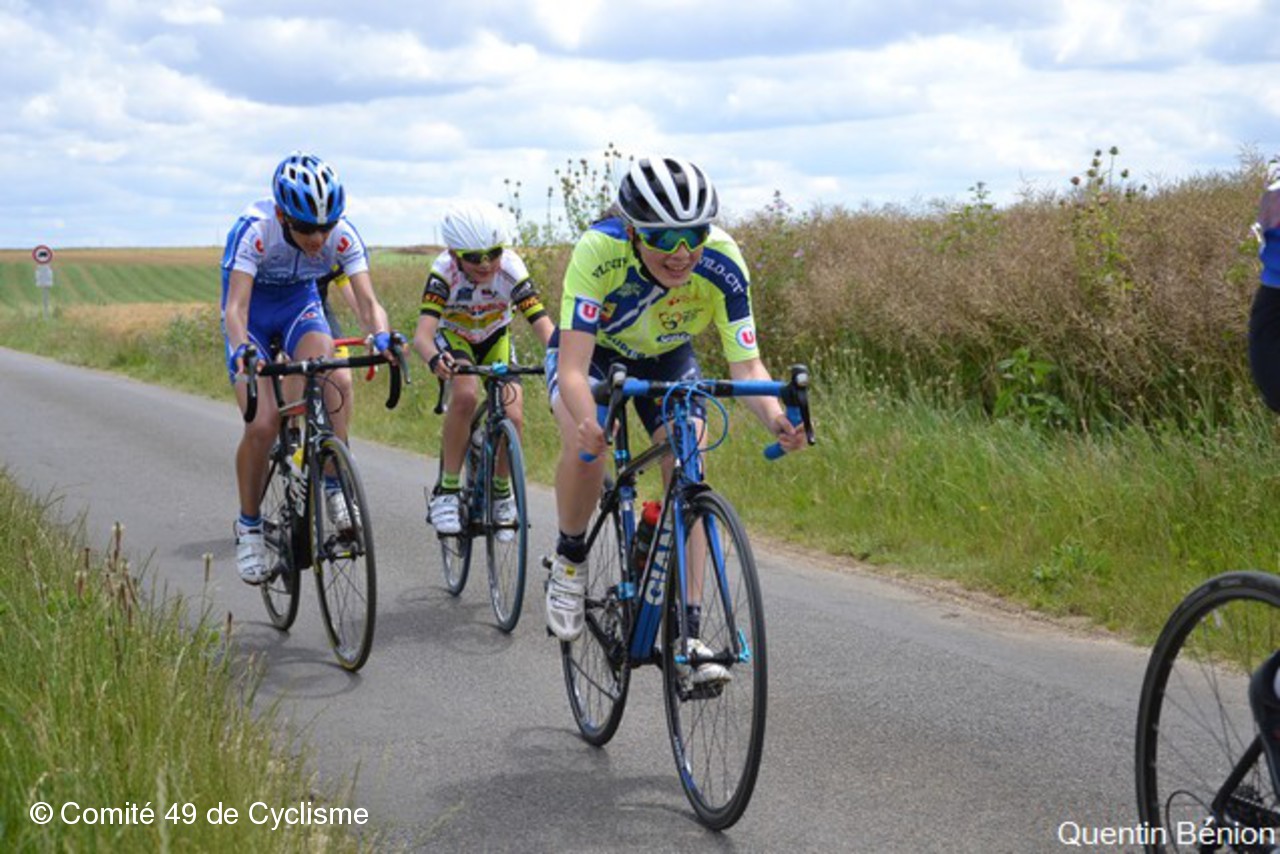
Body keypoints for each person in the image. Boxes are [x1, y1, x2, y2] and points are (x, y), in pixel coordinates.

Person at [543, 155, 808, 684]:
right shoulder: (599, 249)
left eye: (694, 234)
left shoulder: (723, 260)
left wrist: (777, 418)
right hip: (595, 359)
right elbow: (571, 369)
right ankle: (569, 561)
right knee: (585, 444)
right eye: (663, 237)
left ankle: (688, 630)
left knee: (690, 457)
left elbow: (747, 366)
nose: (682, 252)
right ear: (634, 231)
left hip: (667, 357)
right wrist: (588, 421)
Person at [221, 152, 396, 585]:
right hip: (254, 315)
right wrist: (242, 350)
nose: (318, 238)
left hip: (299, 305)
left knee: (334, 373)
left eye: (326, 226)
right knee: (262, 425)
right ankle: (249, 526)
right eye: (306, 228)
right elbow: (235, 308)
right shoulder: (254, 230)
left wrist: (382, 336)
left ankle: (335, 485)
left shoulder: (343, 236)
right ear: (283, 216)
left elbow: (369, 303)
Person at [413, 200, 555, 535]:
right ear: (454, 254)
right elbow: (422, 336)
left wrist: (563, 359)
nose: (486, 263)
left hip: (495, 338)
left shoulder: (511, 269)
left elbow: (543, 325)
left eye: (493, 253)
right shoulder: (443, 273)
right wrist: (435, 359)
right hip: (455, 338)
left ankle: (502, 493)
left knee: (513, 413)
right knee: (465, 394)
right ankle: (447, 492)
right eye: (475, 257)